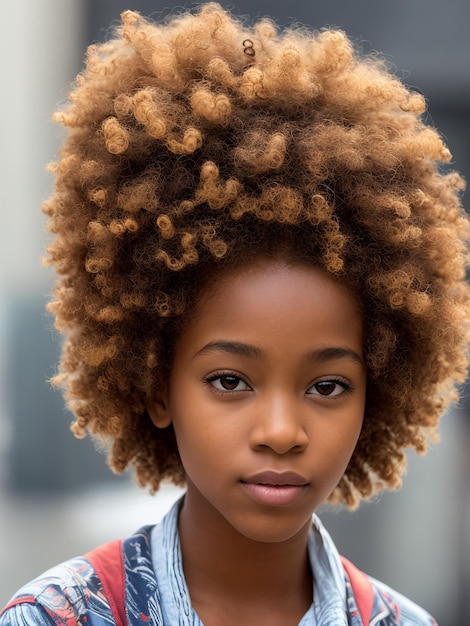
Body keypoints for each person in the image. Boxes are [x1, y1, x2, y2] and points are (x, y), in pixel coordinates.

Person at [1, 3, 469, 624]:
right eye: (230, 381)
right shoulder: (60, 617)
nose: (281, 430)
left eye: (328, 386)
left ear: (375, 396)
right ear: (155, 384)